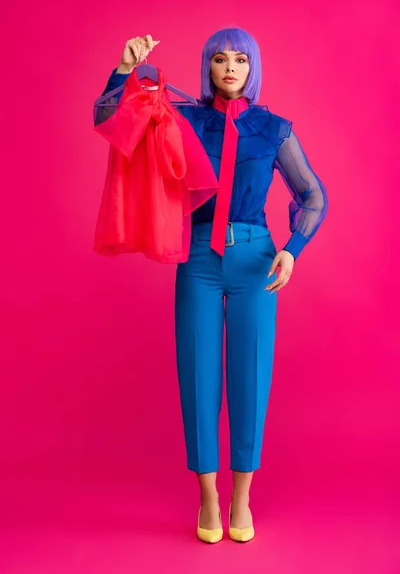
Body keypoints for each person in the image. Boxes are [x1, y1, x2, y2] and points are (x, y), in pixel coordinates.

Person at [94, 28, 328, 543]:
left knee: (251, 378)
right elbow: (110, 121)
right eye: (219, 58)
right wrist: (124, 67)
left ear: (253, 69)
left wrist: (292, 250)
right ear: (208, 67)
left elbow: (314, 196)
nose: (229, 67)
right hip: (198, 256)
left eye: (240, 60)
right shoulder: (183, 117)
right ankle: (208, 497)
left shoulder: (273, 129)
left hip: (256, 262)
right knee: (198, 376)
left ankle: (241, 496)